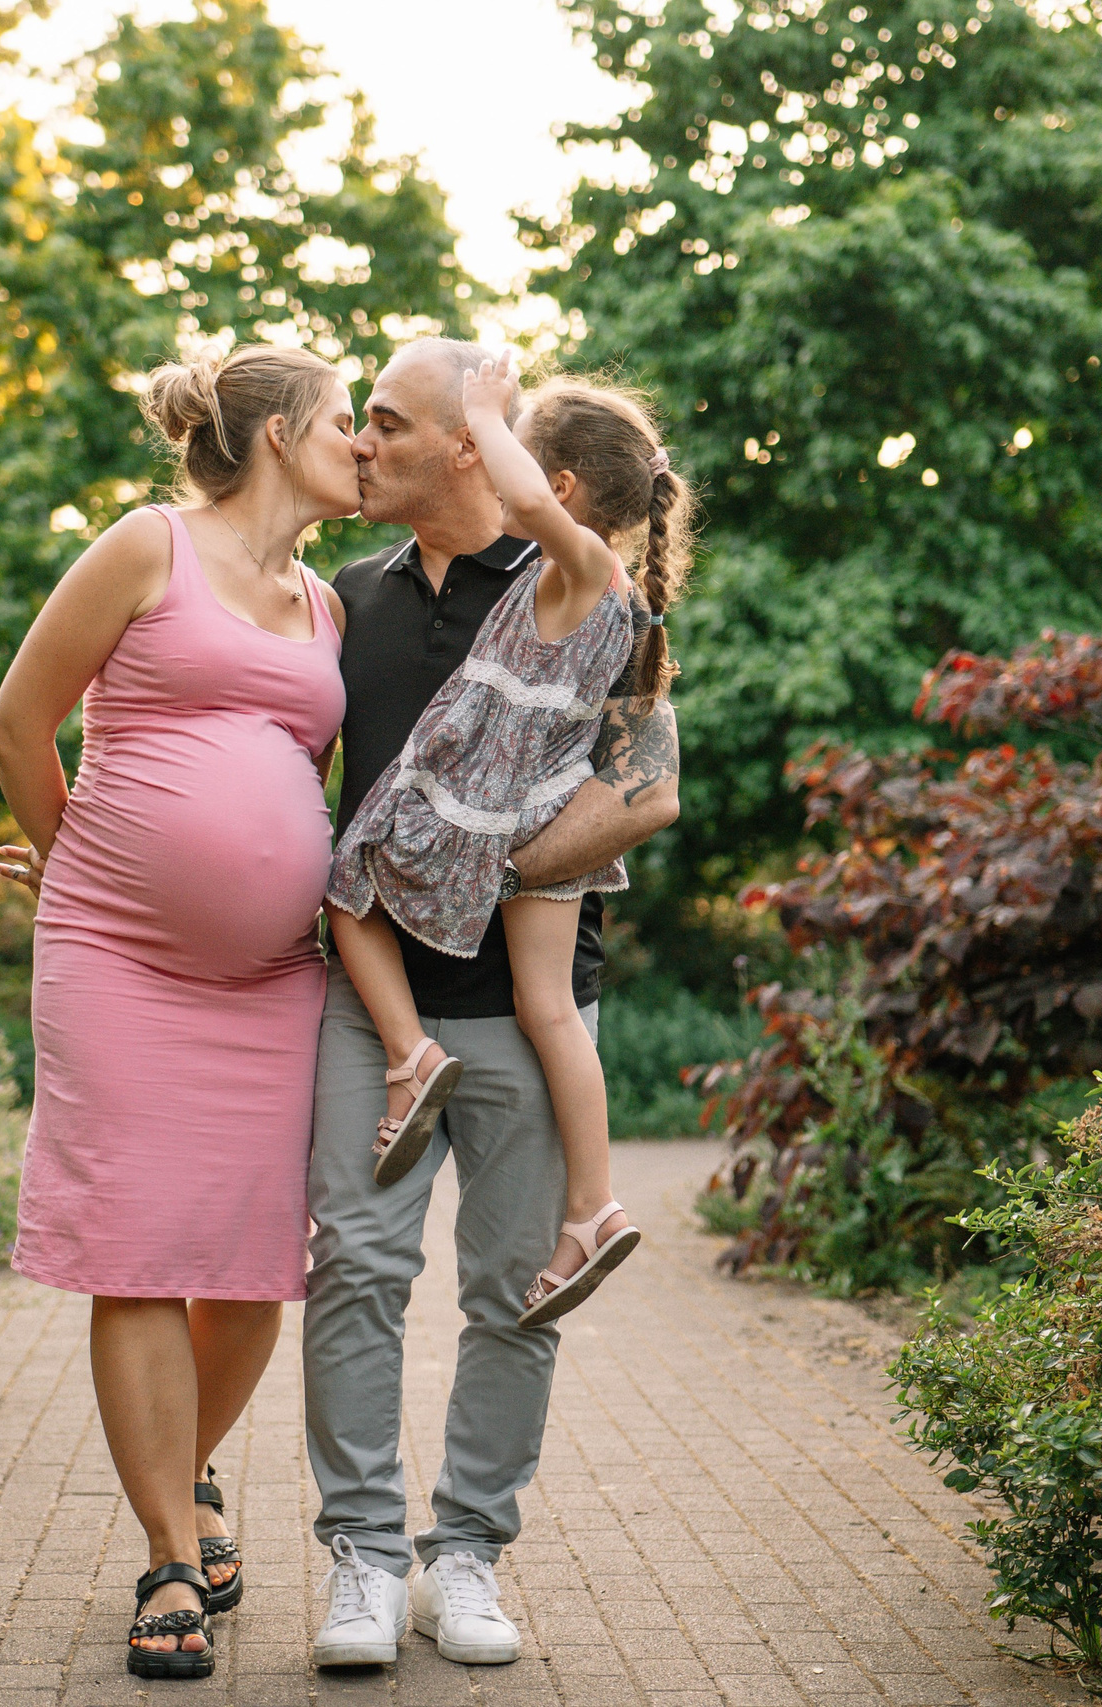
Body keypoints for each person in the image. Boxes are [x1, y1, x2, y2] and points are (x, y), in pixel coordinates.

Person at [304, 339, 684, 1670]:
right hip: (374, 1002)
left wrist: (488, 867)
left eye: (387, 424)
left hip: (528, 1003)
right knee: (353, 1263)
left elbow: (649, 793)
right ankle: (362, 1552)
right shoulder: (345, 597)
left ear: (471, 445)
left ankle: (464, 1550)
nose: (359, 444)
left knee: (518, 1293)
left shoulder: (585, 587)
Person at [0, 342, 357, 1681]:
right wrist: (80, 857)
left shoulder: (326, 604)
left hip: (270, 982)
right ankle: (166, 1550)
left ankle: (187, 1469)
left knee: (255, 1252)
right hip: (117, 960)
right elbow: (19, 722)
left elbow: (304, 777)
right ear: (275, 438)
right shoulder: (147, 546)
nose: (361, 444)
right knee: (140, 1245)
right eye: (344, 422)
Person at [324, 356, 693, 1329]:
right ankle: (594, 1207)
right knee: (551, 1013)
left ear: (558, 489)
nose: (498, 463)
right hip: (541, 817)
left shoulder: (574, 570)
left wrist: (483, 410)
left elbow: (653, 784)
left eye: (510, 451)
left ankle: (410, 1063)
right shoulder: (614, 591)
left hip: (503, 820)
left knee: (345, 884)